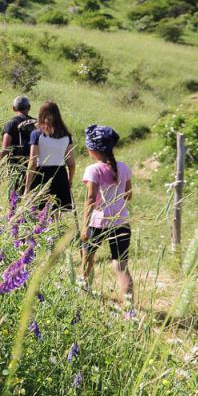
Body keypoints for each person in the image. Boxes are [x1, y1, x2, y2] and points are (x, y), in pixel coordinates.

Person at [80, 124, 133, 302]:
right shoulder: (124, 167)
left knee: (88, 256)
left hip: (98, 222)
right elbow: (128, 195)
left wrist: (85, 226)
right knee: (121, 265)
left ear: (93, 149)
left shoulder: (93, 170)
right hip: (121, 221)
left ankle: (84, 291)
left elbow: (90, 199)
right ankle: (129, 306)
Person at [24, 100, 75, 211]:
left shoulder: (37, 134)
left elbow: (32, 162)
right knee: (56, 213)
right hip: (60, 175)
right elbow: (71, 163)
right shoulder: (66, 135)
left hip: (41, 174)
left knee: (38, 213)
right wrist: (69, 181)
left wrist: (27, 187)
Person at [0, 96, 34, 205]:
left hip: (16, 164)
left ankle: (13, 213)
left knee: (14, 197)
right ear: (29, 107)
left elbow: (5, 148)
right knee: (32, 198)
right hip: (34, 164)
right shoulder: (35, 123)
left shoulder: (11, 123)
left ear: (14, 108)